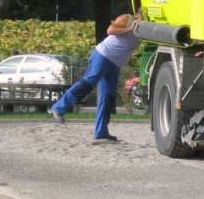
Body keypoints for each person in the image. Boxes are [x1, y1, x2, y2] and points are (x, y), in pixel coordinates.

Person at [49, 10, 142, 142]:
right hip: (103, 55)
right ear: (139, 12)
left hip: (115, 64)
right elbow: (110, 30)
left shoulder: (145, 29)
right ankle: (58, 108)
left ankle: (101, 132)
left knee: (108, 97)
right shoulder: (128, 18)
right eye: (143, 14)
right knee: (89, 82)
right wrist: (129, 29)